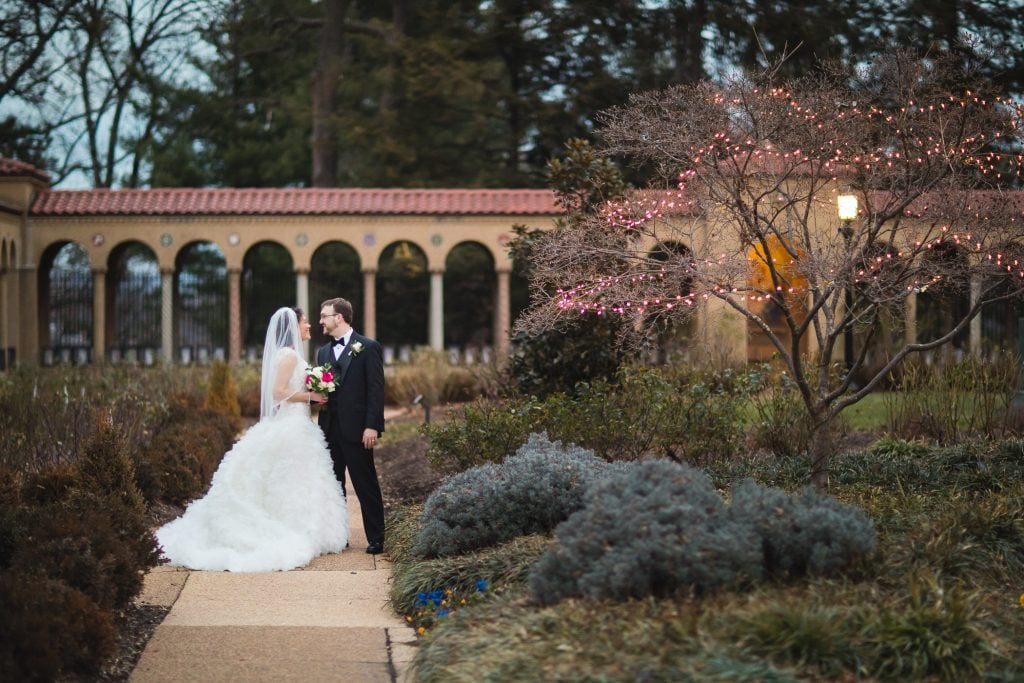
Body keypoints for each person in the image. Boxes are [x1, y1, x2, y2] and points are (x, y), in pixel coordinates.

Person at [156, 307, 348, 572]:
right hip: (291, 424)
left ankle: (307, 528)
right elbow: (277, 392)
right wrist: (310, 396)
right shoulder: (290, 356)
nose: (309, 327)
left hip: (298, 423)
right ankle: (292, 528)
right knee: (290, 478)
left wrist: (315, 387)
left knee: (295, 480)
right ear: (294, 325)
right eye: (305, 322)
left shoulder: (292, 355)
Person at [316, 297, 386, 554]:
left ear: (339, 318)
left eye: (325, 316)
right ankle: (339, 536)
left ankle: (377, 537)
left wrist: (372, 426)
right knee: (334, 486)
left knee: (365, 483)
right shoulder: (323, 352)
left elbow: (376, 390)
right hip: (329, 429)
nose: (320, 320)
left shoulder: (368, 347)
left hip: (357, 429)